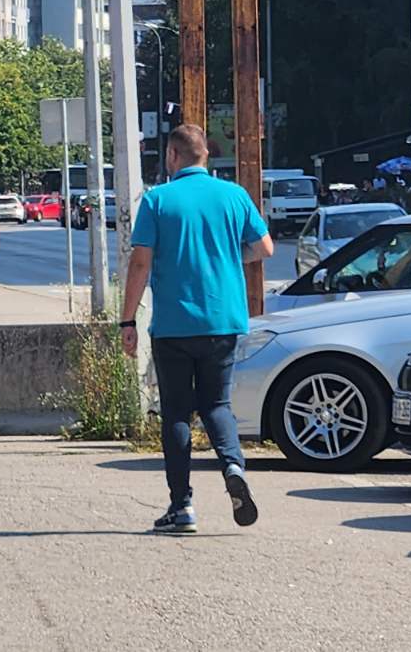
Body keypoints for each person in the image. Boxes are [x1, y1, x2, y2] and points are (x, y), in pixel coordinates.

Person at [120, 125, 274, 534]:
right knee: (217, 405)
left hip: (173, 325)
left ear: (173, 156)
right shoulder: (235, 196)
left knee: (176, 411)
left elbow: (140, 263)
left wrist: (127, 319)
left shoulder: (157, 201)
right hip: (223, 321)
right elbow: (264, 249)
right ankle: (233, 466)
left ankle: (181, 506)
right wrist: (225, 256)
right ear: (205, 155)